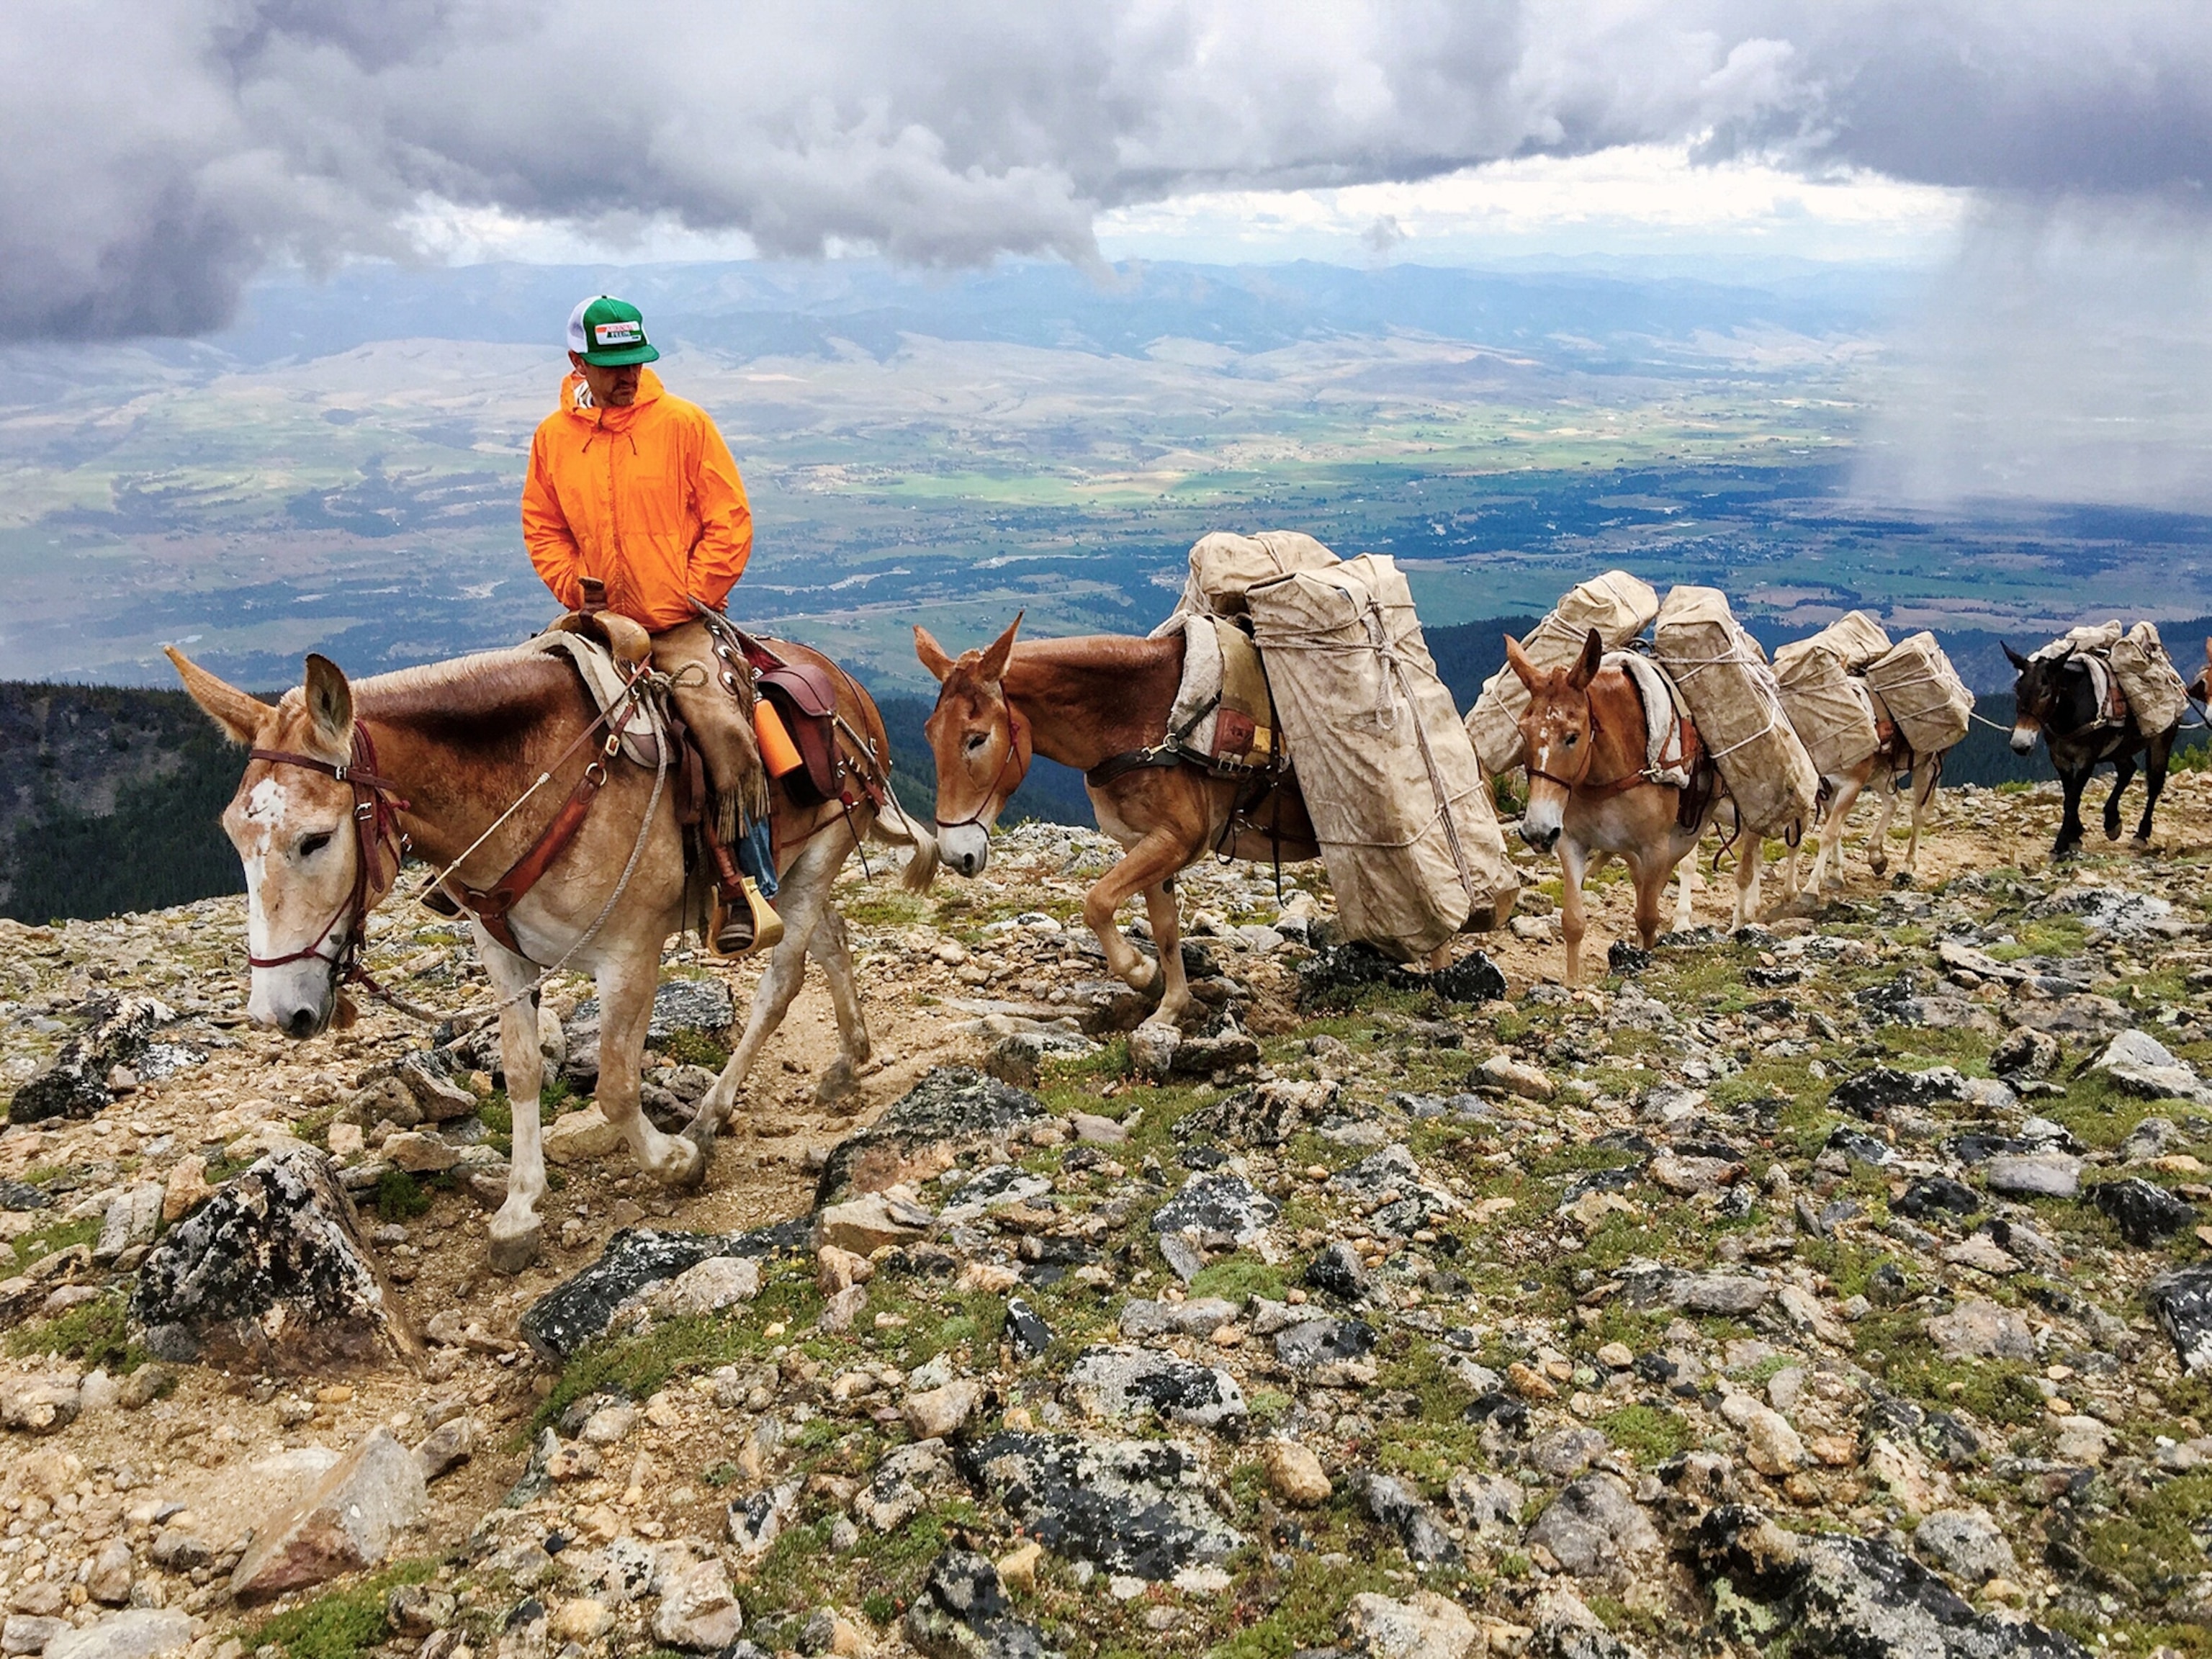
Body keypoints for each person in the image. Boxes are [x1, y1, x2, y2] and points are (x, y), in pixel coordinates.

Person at [522, 295, 779, 956]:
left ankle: (745, 884)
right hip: (595, 619)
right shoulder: (553, 437)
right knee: (519, 705)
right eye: (611, 364)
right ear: (578, 360)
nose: (626, 374)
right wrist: (576, 588)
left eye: (634, 360)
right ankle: (503, 865)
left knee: (720, 726)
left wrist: (691, 594)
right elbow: (543, 527)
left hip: (676, 623)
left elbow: (730, 519)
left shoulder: (685, 424)